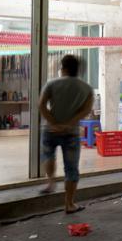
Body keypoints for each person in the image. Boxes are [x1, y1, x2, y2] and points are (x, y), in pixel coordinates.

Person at [39, 54, 94, 213]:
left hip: (50, 130)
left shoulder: (52, 83)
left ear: (63, 68)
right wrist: (70, 123)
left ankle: (50, 182)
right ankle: (69, 204)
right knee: (71, 169)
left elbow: (41, 105)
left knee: (48, 156)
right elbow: (86, 110)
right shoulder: (86, 88)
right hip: (71, 133)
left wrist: (54, 123)